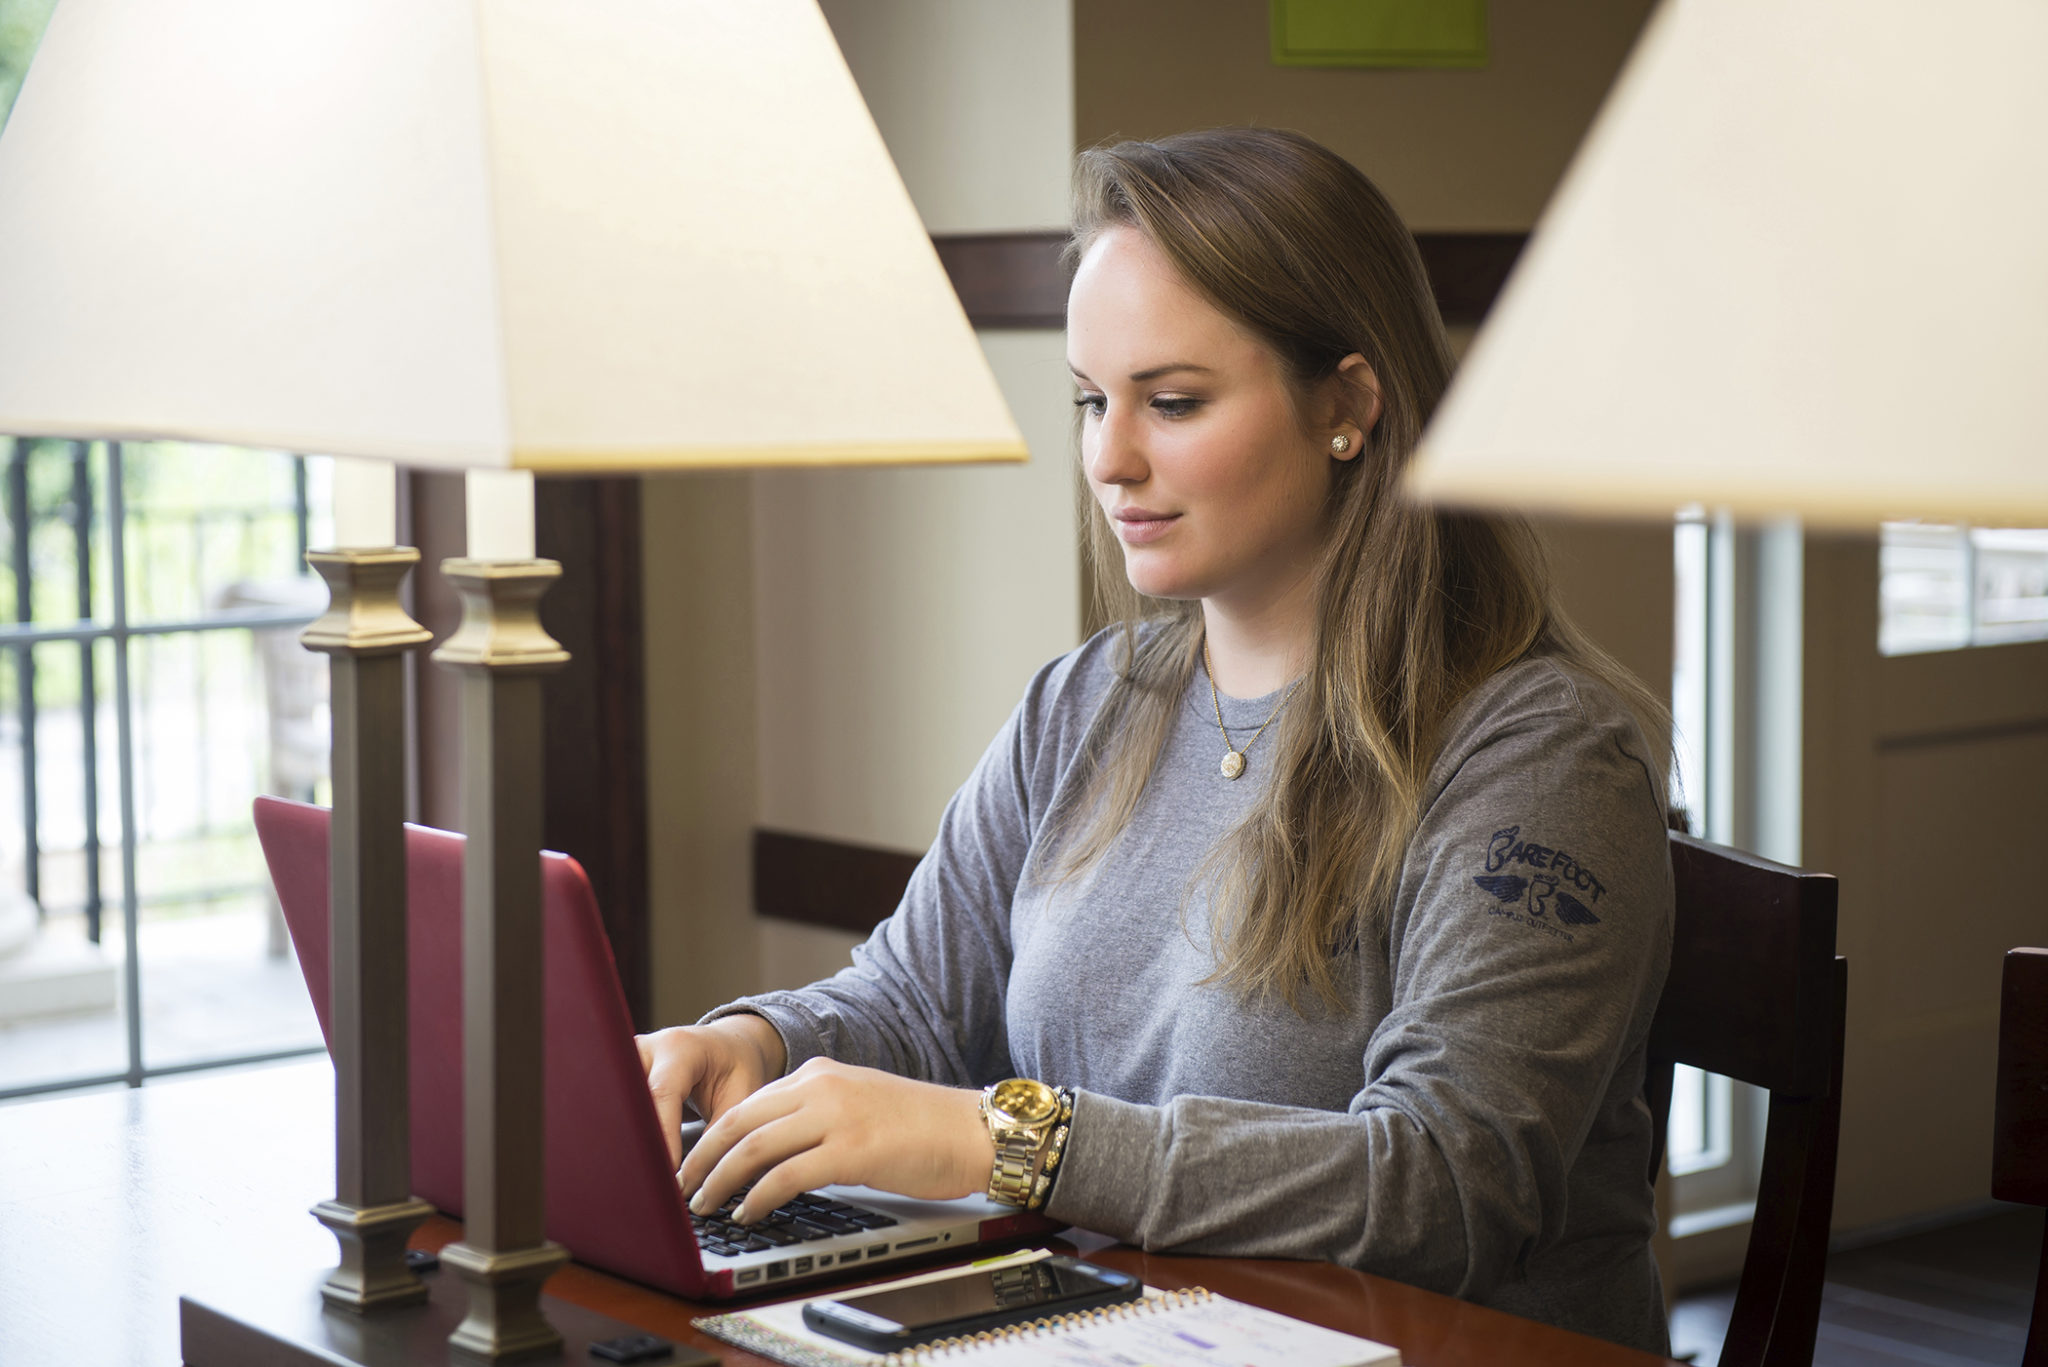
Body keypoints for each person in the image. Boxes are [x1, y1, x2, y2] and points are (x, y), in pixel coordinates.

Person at [636, 126, 1675, 1353]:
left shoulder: (1541, 752)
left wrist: (1011, 1141)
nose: (1108, 459)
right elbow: (913, 998)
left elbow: (1449, 1184)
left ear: (1346, 405)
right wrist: (750, 1041)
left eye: (1170, 402)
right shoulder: (1087, 702)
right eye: (1089, 400)